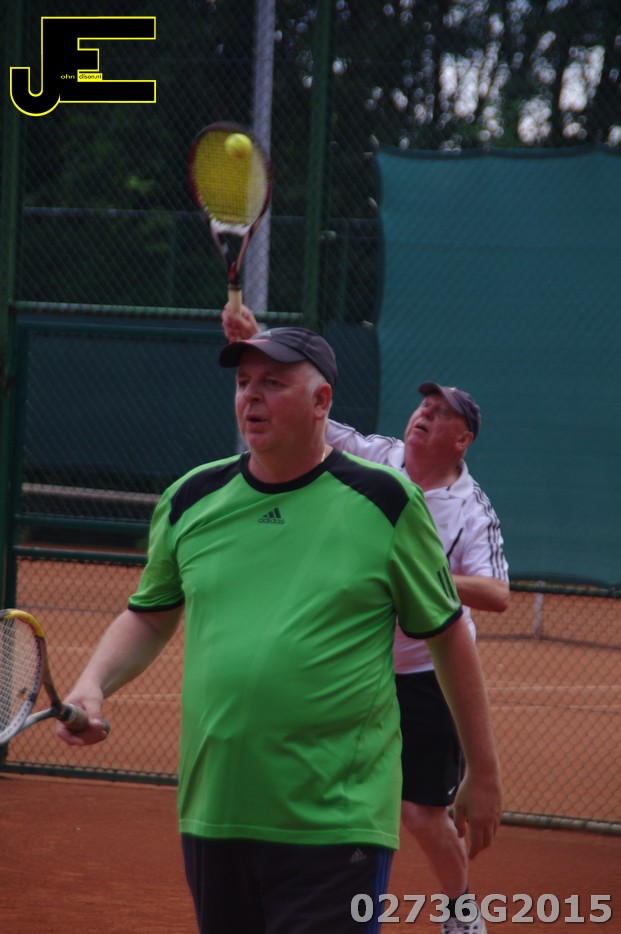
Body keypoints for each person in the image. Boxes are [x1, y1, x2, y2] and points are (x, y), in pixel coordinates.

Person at [57, 325, 502, 934]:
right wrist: (92, 684)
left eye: (272, 383)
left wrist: (483, 770)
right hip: (214, 815)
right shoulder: (191, 498)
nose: (251, 396)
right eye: (243, 383)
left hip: (335, 824)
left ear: (321, 402)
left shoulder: (386, 501)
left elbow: (448, 635)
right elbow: (149, 613)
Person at [222, 305, 509, 934]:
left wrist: (413, 571)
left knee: (422, 814)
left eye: (440, 414)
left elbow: (496, 593)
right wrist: (255, 342)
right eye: (422, 406)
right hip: (360, 666)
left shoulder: (471, 507)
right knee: (335, 797)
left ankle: (461, 910)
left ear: (462, 440)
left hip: (428, 674)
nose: (423, 414)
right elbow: (307, 417)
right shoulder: (376, 455)